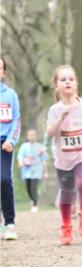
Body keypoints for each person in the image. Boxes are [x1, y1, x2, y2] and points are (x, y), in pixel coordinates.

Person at [46, 64, 82, 245]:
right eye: (63, 79)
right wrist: (61, 117)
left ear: (76, 83)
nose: (68, 82)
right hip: (63, 157)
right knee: (66, 193)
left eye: (71, 79)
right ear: (56, 86)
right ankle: (66, 225)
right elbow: (50, 133)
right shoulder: (54, 110)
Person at [0, 57, 21, 240]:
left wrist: (11, 140)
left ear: (3, 72)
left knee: (5, 179)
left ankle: (9, 223)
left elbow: (16, 120)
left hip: (4, 144)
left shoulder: (10, 95)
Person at [17, 128, 48, 212]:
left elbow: (44, 160)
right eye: (30, 135)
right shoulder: (24, 146)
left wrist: (46, 172)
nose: (32, 137)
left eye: (33, 135)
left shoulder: (40, 146)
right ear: (27, 136)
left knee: (33, 187)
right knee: (28, 188)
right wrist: (20, 163)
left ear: (36, 136)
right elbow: (20, 156)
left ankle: (35, 204)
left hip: (37, 170)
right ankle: (32, 199)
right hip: (26, 171)